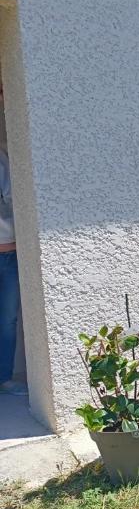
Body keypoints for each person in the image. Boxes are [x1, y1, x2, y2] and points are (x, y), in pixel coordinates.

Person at [0, 145, 25, 395]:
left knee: (7, 320)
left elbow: (15, 199)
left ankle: (4, 377)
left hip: (9, 253)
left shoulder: (2, 159)